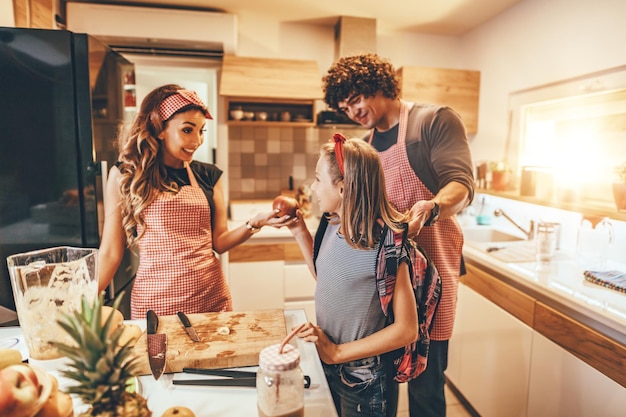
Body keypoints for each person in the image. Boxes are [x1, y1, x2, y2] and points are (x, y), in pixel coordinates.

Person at [322, 53, 475, 417]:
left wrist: (432, 207)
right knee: (381, 380)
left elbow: (462, 185)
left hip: (433, 278)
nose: (353, 110)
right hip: (386, 281)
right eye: (345, 106)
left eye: (357, 99)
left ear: (380, 85)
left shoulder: (432, 121)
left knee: (426, 388)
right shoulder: (364, 145)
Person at [98, 84, 286, 319]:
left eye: (201, 131)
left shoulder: (209, 175)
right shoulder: (127, 175)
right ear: (159, 129)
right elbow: (110, 253)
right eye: (187, 130)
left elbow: (219, 242)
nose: (197, 141)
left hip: (210, 296)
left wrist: (255, 224)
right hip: (155, 302)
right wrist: (83, 299)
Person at [288, 134, 419, 417]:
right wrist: (299, 230)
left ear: (344, 188)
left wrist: (337, 352)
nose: (312, 187)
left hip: (365, 377)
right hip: (330, 360)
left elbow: (408, 329)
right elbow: (328, 278)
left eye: (318, 179)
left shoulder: (387, 246)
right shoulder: (332, 223)